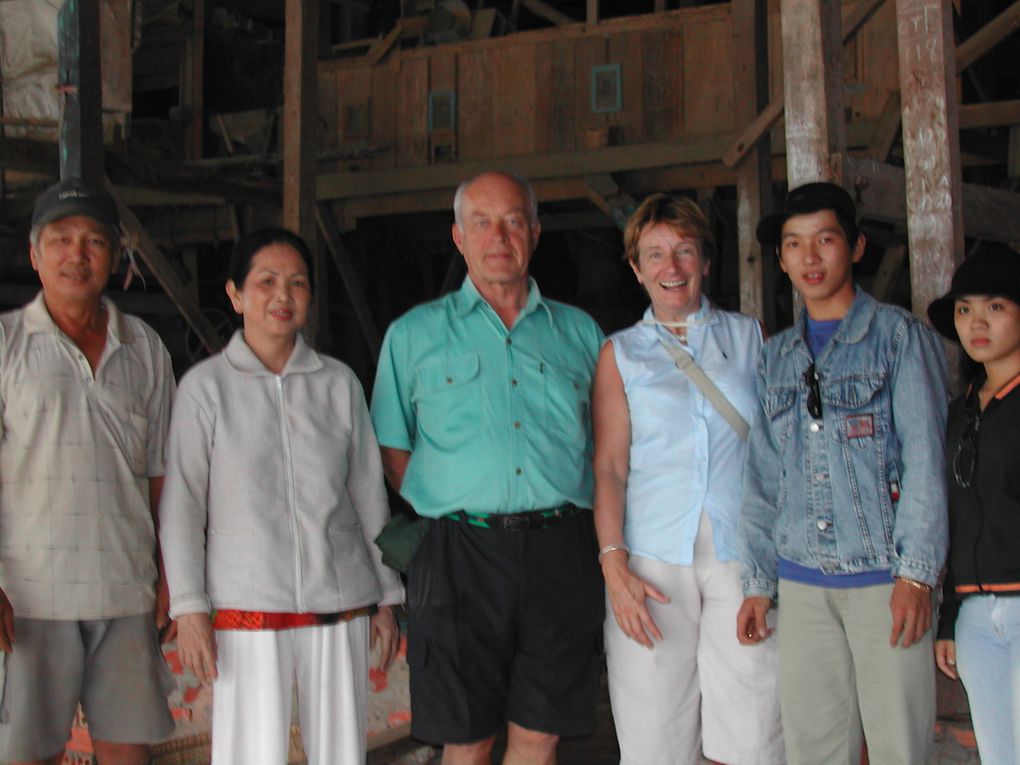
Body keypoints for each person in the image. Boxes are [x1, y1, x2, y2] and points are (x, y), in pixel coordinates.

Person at [370, 172, 605, 765]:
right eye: (482, 222)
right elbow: (392, 449)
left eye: (513, 221)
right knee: (466, 736)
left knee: (539, 732)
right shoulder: (412, 336)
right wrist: (455, 503)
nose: (498, 236)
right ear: (457, 235)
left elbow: (608, 447)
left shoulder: (581, 333)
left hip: (561, 547)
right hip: (457, 553)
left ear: (535, 232)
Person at [159, 229, 403, 765]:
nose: (282, 296)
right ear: (235, 295)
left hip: (338, 602)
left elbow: (368, 496)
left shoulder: (338, 384)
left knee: (341, 753)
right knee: (250, 754)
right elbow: (182, 506)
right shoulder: (206, 387)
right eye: (265, 282)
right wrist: (189, 605)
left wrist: (387, 594)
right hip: (245, 605)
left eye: (296, 283)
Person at [738, 182, 949, 765]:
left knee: (900, 751)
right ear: (780, 259)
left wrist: (916, 577)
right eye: (794, 245)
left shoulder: (899, 339)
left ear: (855, 247)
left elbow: (926, 462)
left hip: (884, 583)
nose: (810, 258)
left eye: (825, 240)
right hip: (802, 584)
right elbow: (762, 476)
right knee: (813, 752)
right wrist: (758, 581)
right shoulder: (776, 356)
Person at [593, 194, 783, 765]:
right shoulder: (621, 353)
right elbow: (609, 466)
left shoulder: (752, 340)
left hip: (743, 558)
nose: (670, 267)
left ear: (704, 260)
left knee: (754, 733)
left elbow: (778, 454)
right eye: (655, 254)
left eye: (684, 251)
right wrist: (613, 563)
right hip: (651, 563)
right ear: (636, 268)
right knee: (656, 739)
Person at [0, 179, 176, 764]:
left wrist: (173, 570)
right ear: (34, 254)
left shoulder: (145, 347)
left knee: (127, 753)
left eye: (94, 241)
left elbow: (162, 474)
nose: (77, 254)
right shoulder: (5, 345)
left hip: (126, 590)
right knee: (27, 753)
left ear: (116, 255)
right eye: (61, 239)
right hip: (28, 596)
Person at [928, 248, 1020, 765]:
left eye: (995, 307)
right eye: (964, 309)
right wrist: (951, 617)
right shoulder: (960, 412)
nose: (976, 322)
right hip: (977, 618)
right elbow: (957, 522)